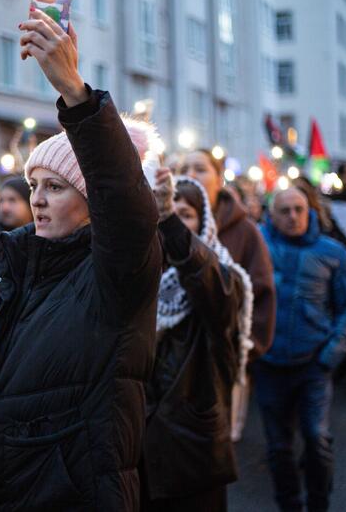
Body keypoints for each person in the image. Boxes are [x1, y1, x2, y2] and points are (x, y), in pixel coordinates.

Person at [0, 10, 162, 510]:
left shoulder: (116, 272)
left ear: (94, 203)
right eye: (34, 187)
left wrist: (75, 91)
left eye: (56, 187)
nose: (39, 199)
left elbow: (125, 203)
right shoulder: (18, 266)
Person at [142, 172, 254, 511]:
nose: (173, 220)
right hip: (140, 452)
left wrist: (169, 222)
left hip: (191, 453)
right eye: (165, 212)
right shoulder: (139, 280)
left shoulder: (223, 277)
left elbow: (208, 284)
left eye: (185, 214)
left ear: (204, 222)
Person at [257, 188, 346, 512]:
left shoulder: (332, 252)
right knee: (278, 448)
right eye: (284, 210)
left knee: (316, 438)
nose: (293, 217)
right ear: (272, 214)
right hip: (269, 364)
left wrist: (331, 355)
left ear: (309, 210)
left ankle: (318, 504)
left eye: (299, 209)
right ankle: (289, 506)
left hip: (312, 365)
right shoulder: (258, 245)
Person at [176, 148, 276, 441]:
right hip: (175, 361)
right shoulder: (165, 225)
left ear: (220, 179)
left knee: (216, 446)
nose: (191, 175)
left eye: (200, 168)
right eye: (185, 168)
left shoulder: (244, 231)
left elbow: (261, 292)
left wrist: (244, 351)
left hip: (223, 361)